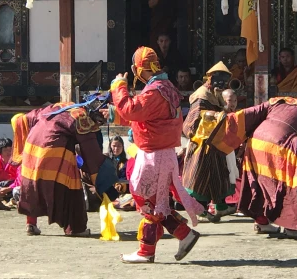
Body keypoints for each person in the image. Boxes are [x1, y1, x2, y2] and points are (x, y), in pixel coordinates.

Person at [108, 46, 204, 263]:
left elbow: (133, 110)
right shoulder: (166, 87)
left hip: (153, 154)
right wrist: (114, 113)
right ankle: (184, 234)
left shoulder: (154, 91)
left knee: (145, 199)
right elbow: (147, 117)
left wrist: (119, 86)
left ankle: (147, 250)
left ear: (137, 69)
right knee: (155, 201)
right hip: (163, 153)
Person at [208, 83, 297, 237]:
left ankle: (262, 222)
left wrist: (226, 121)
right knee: (289, 186)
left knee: (258, 183)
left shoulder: (280, 101)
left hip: (255, 142)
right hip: (280, 148)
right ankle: (293, 227)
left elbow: (253, 113)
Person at [17, 100, 119, 237]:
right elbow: (91, 153)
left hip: (31, 148)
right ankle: (75, 228)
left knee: (33, 186)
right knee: (71, 188)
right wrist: (102, 179)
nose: (97, 125)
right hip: (53, 149)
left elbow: (24, 118)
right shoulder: (82, 117)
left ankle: (31, 223)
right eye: (99, 122)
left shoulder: (59, 106)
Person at [182, 62, 235, 222]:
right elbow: (195, 118)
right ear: (211, 79)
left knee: (219, 173)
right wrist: (213, 115)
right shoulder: (201, 95)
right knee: (200, 176)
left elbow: (220, 110)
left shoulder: (215, 93)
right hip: (201, 143)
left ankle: (221, 206)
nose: (221, 86)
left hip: (215, 141)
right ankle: (199, 208)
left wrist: (223, 112)